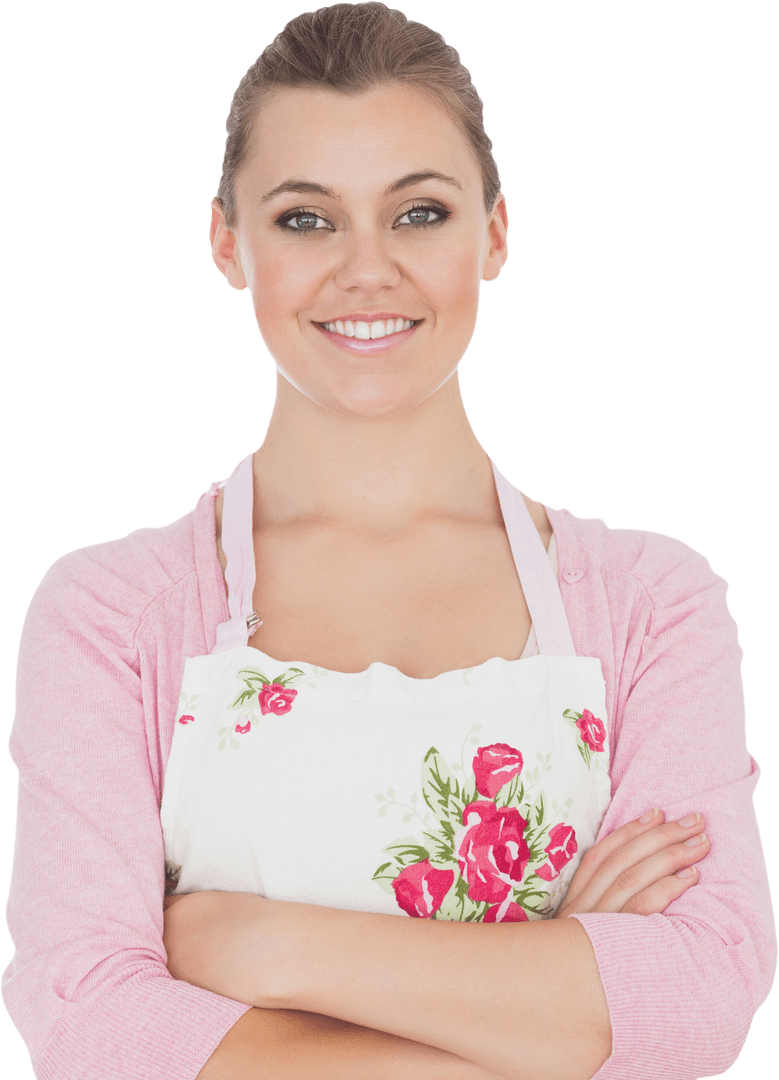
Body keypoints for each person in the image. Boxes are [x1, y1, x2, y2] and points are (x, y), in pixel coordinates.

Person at [2, 4, 775, 1079]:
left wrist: (247, 943)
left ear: (493, 234)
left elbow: (698, 998)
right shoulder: (110, 614)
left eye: (417, 213)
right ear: (228, 242)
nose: (366, 271)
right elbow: (89, 1025)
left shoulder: (651, 601)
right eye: (305, 220)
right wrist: (552, 1003)